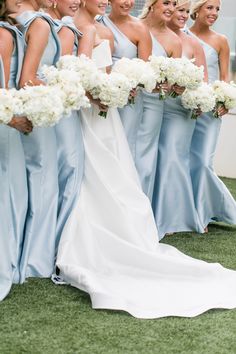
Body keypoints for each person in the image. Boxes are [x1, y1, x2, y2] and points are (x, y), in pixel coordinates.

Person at [55, 0, 236, 319]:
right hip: (97, 105)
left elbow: (129, 71)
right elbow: (94, 70)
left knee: (117, 167)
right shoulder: (85, 28)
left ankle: (137, 223)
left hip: (114, 105)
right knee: (98, 168)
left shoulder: (100, 30)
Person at [152, 0, 208, 239]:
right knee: (153, 158)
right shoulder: (154, 36)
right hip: (154, 105)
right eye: (179, 10)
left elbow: (203, 81)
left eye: (186, 11)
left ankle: (173, 215)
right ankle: (153, 212)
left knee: (172, 156)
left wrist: (196, 99)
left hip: (180, 110)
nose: (184, 15)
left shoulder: (193, 43)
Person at [16, 0, 61, 282]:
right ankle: (35, 259)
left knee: (33, 182)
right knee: (43, 181)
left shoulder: (22, 20)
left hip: (30, 110)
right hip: (38, 110)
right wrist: (63, 89)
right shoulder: (40, 24)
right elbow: (27, 79)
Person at [188, 0, 236, 231]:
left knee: (202, 162)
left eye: (217, 9)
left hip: (210, 110)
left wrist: (226, 99)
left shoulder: (221, 41)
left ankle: (202, 212)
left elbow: (225, 75)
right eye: (209, 8)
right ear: (196, 10)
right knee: (182, 160)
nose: (215, 13)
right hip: (183, 108)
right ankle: (184, 210)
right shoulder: (182, 34)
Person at [0, 0, 32, 300]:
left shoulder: (12, 31)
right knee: (10, 194)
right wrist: (14, 119)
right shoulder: (6, 34)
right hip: (5, 123)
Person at [46, 0, 85, 252]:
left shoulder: (66, 27)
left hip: (64, 104)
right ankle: (60, 241)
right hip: (58, 106)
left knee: (66, 169)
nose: (76, 1)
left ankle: (62, 237)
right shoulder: (60, 29)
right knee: (69, 168)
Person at [137, 0, 181, 202]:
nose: (171, 8)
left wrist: (176, 85)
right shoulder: (133, 26)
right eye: (166, 2)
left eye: (174, 4)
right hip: (126, 100)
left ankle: (142, 212)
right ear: (152, 4)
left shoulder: (174, 41)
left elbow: (173, 83)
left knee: (144, 157)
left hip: (154, 103)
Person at [100, 0, 152, 159]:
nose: (128, 2)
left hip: (129, 99)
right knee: (103, 146)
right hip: (101, 95)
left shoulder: (140, 28)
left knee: (125, 148)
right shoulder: (97, 23)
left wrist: (133, 85)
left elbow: (145, 69)